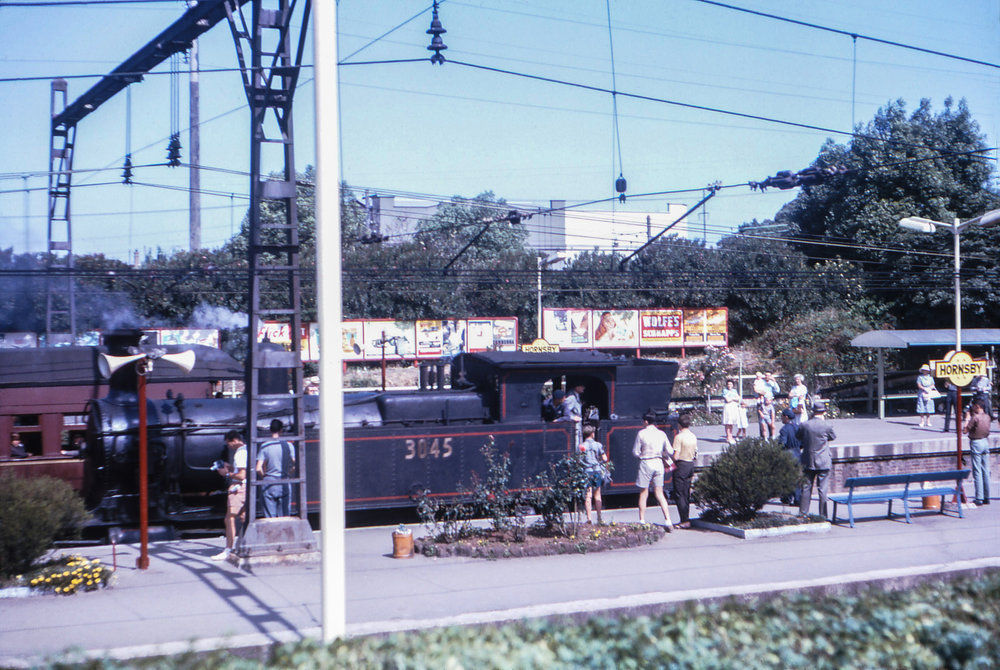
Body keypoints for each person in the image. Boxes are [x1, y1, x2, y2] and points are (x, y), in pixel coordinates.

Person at [632, 412, 674, 531]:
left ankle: (642, 520)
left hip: (646, 462)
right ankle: (668, 521)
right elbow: (670, 451)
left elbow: (635, 452)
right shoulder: (661, 434)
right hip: (658, 463)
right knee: (660, 493)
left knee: (643, 493)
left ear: (646, 421)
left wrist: (641, 454)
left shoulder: (641, 434)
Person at [797, 401, 836, 519]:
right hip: (823, 460)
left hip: (808, 460)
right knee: (822, 490)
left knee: (806, 487)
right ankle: (823, 515)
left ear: (813, 412)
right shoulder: (827, 426)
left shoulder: (805, 425)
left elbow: (798, 436)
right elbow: (832, 437)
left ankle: (803, 513)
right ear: (824, 412)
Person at [212, 430, 247, 561]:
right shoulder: (247, 450)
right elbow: (242, 470)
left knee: (229, 518)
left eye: (229, 444)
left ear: (234, 440)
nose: (229, 446)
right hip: (246, 487)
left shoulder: (240, 453)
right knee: (244, 517)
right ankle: (243, 545)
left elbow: (242, 475)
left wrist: (226, 473)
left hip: (239, 488)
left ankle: (228, 549)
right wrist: (231, 467)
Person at [257, 419, 296, 518]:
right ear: (281, 430)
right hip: (284, 481)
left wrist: (265, 477)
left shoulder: (265, 445)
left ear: (270, 430)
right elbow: (296, 464)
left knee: (270, 517)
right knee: (284, 516)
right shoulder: (289, 445)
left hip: (269, 482)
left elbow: (258, 468)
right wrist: (289, 472)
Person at [671, 413, 698, 528]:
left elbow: (676, 456)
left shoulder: (679, 437)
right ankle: (686, 517)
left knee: (679, 493)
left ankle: (684, 520)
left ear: (679, 425)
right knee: (686, 492)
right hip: (690, 464)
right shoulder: (693, 436)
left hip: (681, 465)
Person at [963, 399, 991, 505]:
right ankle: (987, 496)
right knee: (986, 470)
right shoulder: (987, 416)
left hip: (976, 443)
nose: (972, 408)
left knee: (977, 471)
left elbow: (965, 431)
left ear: (978, 406)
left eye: (974, 406)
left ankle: (979, 497)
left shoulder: (975, 418)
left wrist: (966, 419)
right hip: (985, 442)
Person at [578, 424, 608, 524]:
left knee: (588, 496)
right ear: (592, 434)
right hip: (597, 471)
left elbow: (579, 460)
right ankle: (599, 517)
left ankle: (589, 518)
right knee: (598, 495)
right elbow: (605, 458)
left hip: (587, 472)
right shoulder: (598, 445)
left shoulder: (581, 446)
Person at [777, 409, 801, 506]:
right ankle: (798, 498)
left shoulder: (784, 429)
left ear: (786, 417)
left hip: (788, 454)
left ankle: (787, 497)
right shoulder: (797, 427)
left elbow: (782, 444)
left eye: (782, 416)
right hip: (798, 454)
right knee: (797, 478)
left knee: (788, 478)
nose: (781, 418)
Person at [721, 379, 741, 445]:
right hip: (728, 407)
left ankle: (731, 436)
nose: (729, 385)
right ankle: (728, 436)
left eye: (731, 384)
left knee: (731, 423)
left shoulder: (734, 391)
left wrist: (732, 399)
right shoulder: (725, 391)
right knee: (727, 422)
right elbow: (727, 400)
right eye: (728, 384)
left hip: (734, 407)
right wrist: (733, 398)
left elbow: (738, 398)